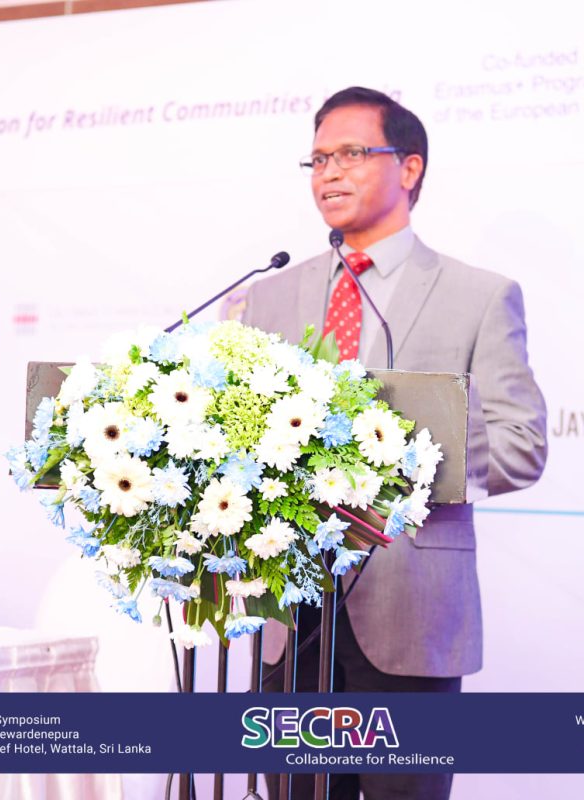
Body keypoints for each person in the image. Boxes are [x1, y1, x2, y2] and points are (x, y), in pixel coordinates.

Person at [242, 86, 547, 800]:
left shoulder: (479, 295)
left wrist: (398, 463)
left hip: (410, 615)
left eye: (351, 153)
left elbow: (522, 443)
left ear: (409, 168)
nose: (329, 173)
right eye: (318, 159)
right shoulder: (270, 295)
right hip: (290, 611)